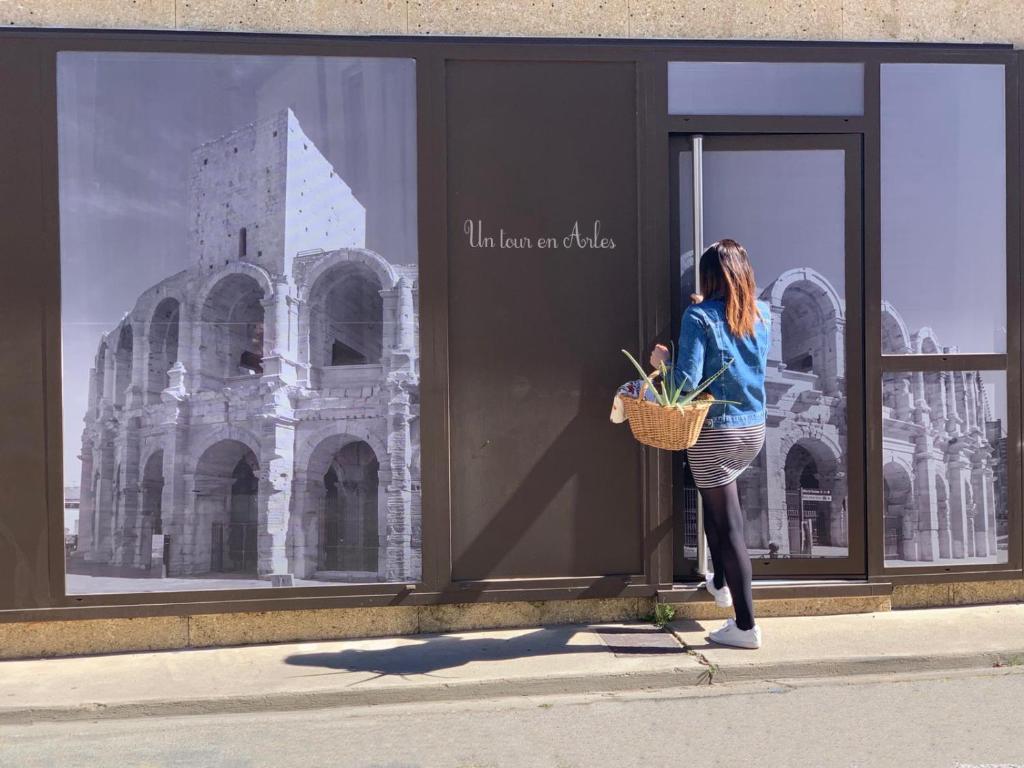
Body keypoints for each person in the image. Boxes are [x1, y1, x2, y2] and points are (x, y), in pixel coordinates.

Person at [650, 238, 770, 650]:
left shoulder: (698, 317)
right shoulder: (762, 315)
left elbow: (685, 384)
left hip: (714, 432)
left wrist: (663, 362)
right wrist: (709, 308)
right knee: (716, 509)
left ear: (710, 277)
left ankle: (746, 624)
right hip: (752, 430)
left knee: (727, 524)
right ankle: (719, 582)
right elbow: (734, 341)